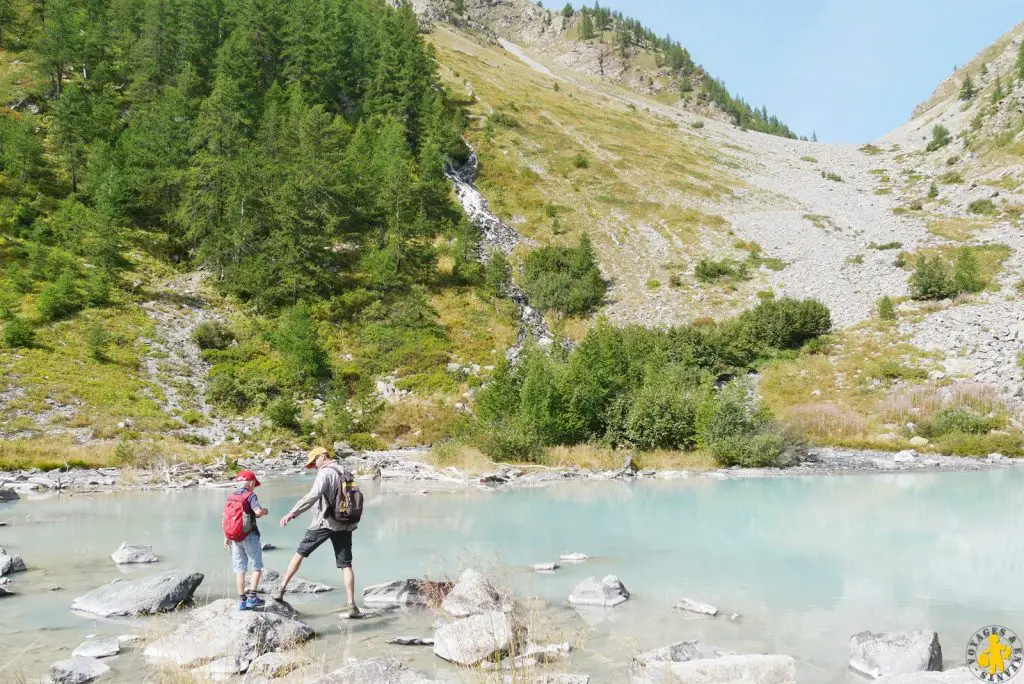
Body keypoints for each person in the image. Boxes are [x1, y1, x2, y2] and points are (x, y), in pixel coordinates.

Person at [276, 446, 361, 617]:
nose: (314, 465)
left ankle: (280, 591)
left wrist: (293, 512)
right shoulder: (345, 471)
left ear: (323, 456)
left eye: (315, 460)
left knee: (300, 552)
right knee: (346, 564)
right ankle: (352, 605)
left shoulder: (325, 473)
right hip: (344, 523)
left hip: (324, 522)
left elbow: (314, 495)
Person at [223, 470, 269, 610]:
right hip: (250, 535)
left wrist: (226, 537)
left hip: (235, 536)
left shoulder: (232, 497)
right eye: (254, 484)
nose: (254, 486)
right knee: (256, 566)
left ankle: (242, 601)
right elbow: (258, 512)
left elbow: (227, 517)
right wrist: (265, 511)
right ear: (251, 482)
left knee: (240, 569)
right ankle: (252, 598)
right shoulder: (251, 495)